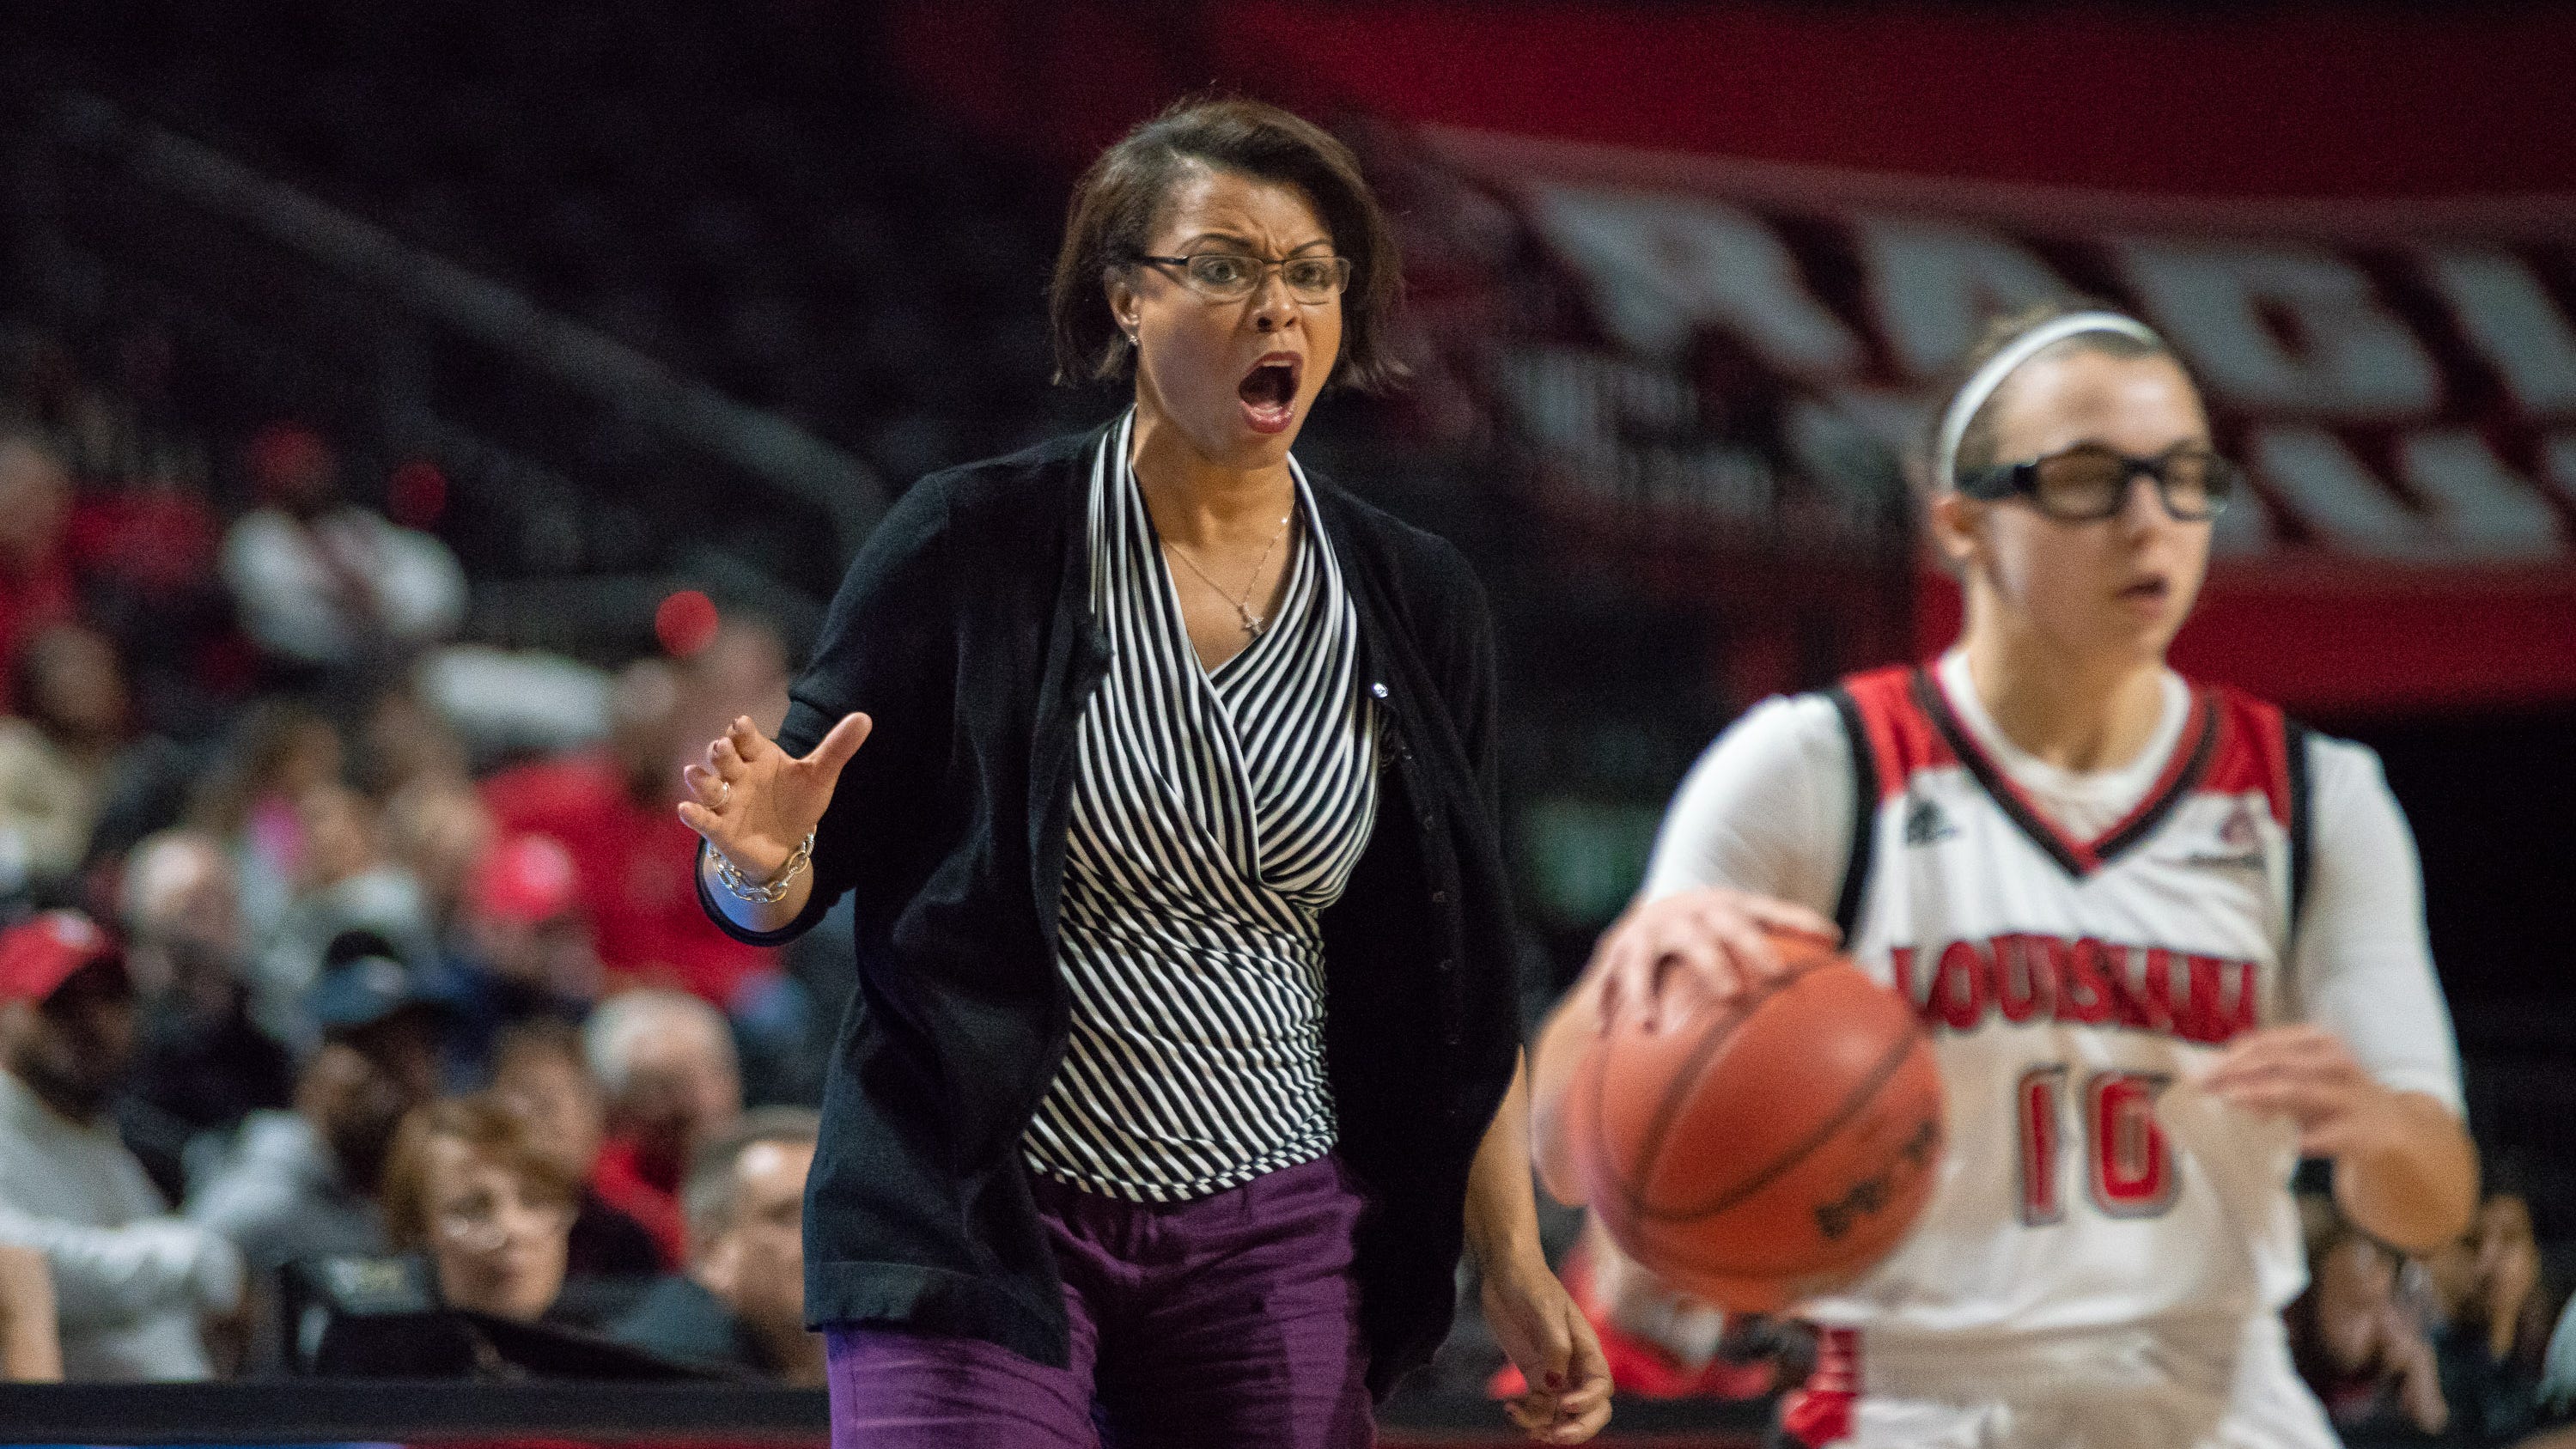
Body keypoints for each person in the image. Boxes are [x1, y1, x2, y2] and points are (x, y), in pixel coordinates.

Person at [680, 96, 1607, 1449]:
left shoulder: (1415, 596)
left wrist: (1513, 1259)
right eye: (1221, 267)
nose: (1273, 307)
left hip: (1270, 1212)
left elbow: (1461, 976)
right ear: (1123, 296)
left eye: (1308, 272)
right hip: (982, 1198)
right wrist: (755, 862)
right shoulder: (970, 540)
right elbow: (786, 868)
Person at [1528, 303, 2478, 1449]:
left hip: (2220, 1401)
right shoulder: (1808, 768)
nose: (2149, 519)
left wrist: (2374, 1128)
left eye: (2183, 476)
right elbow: (1558, 1147)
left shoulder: (2314, 795)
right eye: (2087, 477)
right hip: (1911, 1400)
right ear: (1960, 522)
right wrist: (1621, 986)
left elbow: (2430, 1193)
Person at [0, 910, 244, 1379]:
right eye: (61, 1002)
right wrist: (197, 1261)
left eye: (109, 999)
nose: (89, 1021)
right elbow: (23, 1270)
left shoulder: (98, 1138)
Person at [189, 930, 453, 1289]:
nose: (400, 1073)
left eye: (413, 1048)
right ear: (310, 1071)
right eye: (370, 1050)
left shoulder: (440, 1195)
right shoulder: (260, 1202)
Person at [113, 829, 295, 1202]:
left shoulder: (268, 1027)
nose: (216, 926)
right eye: (194, 909)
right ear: (143, 927)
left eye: (225, 905)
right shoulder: (120, 1034)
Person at [611, 1106, 823, 1383]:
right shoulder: (662, 1373)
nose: (827, 1239)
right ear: (711, 1251)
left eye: (840, 1215)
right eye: (786, 1217)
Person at [490, 1020, 665, 1278]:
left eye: (547, 1106)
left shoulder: (625, 1243)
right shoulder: (477, 1235)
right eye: (518, 1102)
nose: (531, 1125)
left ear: (593, 1120)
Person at [582, 988, 742, 1266]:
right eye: (660, 1088)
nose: (687, 1104)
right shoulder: (605, 1192)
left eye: (695, 1079)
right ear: (618, 1106)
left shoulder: (770, 1166)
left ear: (731, 1081)